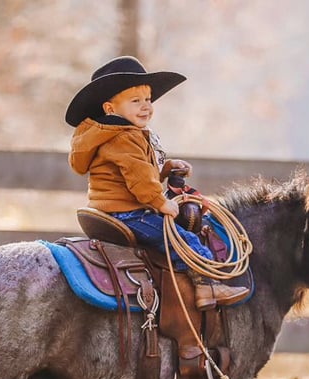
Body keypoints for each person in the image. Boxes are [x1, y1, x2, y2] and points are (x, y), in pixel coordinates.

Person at [65, 56, 249, 311]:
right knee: (184, 239)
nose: (145, 107)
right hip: (128, 212)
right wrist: (161, 202)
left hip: (115, 206)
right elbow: (139, 179)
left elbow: (135, 172)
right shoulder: (124, 137)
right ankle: (207, 287)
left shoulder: (117, 134)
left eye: (148, 100)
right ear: (110, 109)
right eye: (135, 101)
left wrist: (165, 169)